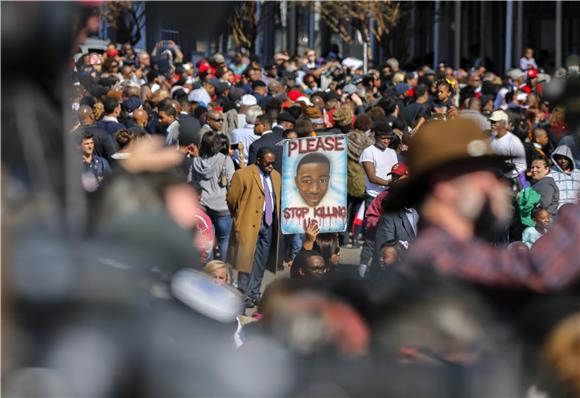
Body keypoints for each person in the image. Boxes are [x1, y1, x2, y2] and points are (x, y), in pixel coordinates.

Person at [383, 117, 579, 292]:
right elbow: (534, 272)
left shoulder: (449, 248)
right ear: (444, 186)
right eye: (484, 173)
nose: (495, 185)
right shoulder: (437, 255)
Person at [227, 147, 281, 308]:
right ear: (258, 160)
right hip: (248, 222)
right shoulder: (242, 175)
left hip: (269, 222)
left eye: (273, 163)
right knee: (246, 260)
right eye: (267, 163)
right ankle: (243, 294)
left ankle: (255, 293)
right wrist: (240, 218)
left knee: (261, 260)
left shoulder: (276, 176)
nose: (271, 167)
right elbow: (232, 200)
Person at [189, 131, 235, 260]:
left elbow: (190, 182)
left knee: (206, 238)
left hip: (202, 205)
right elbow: (231, 182)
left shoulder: (196, 161)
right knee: (224, 240)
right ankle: (221, 268)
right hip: (222, 206)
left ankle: (208, 268)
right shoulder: (226, 160)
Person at [489, 109, 527, 178]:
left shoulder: (513, 141)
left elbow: (521, 166)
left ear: (504, 124)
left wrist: (505, 174)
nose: (492, 124)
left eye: (495, 122)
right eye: (491, 122)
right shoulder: (490, 139)